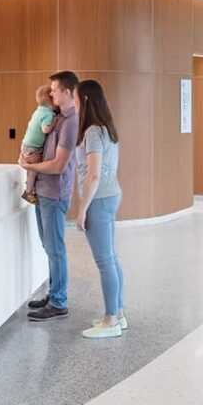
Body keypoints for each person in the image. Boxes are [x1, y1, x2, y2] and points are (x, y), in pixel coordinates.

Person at [18, 70, 81, 322]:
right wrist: (26, 158)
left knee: (55, 249)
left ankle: (58, 301)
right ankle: (54, 292)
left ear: (67, 92)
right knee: (48, 246)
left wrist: (29, 167)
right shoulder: (57, 117)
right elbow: (42, 149)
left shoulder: (70, 122)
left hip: (54, 194)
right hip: (43, 191)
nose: (51, 92)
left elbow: (58, 165)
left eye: (55, 89)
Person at [72, 79, 126, 339]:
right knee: (112, 258)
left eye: (74, 97)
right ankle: (118, 312)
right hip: (111, 194)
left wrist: (82, 209)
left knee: (105, 261)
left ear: (84, 100)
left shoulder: (93, 132)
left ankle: (110, 319)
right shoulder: (107, 128)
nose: (72, 101)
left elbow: (93, 175)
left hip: (99, 199)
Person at [20, 85, 58, 205]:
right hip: (33, 147)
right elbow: (45, 130)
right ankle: (29, 191)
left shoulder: (38, 111)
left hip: (26, 144)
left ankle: (29, 188)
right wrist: (54, 122)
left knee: (32, 170)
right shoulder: (48, 114)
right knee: (33, 171)